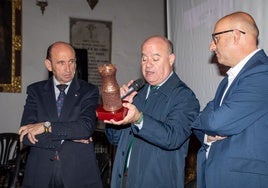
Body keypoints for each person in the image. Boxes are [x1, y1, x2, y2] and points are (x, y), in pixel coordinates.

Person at [104, 35, 200, 188]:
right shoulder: (137, 91)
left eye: (155, 59)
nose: (148, 65)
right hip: (122, 180)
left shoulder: (184, 97)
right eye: (144, 59)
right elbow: (114, 139)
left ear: (171, 59)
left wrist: (138, 119)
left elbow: (172, 138)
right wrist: (117, 107)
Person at [192, 12, 268, 188]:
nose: (211, 46)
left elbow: (215, 121)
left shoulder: (262, 73)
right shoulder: (228, 80)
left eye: (216, 39)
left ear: (236, 36)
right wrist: (208, 135)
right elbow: (199, 124)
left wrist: (208, 118)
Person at [19, 41, 102, 188]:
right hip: (40, 173)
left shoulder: (89, 91)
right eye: (61, 63)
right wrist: (71, 135)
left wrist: (46, 126)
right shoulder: (35, 91)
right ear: (49, 65)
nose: (68, 69)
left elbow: (85, 128)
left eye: (71, 62)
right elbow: (26, 135)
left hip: (78, 173)